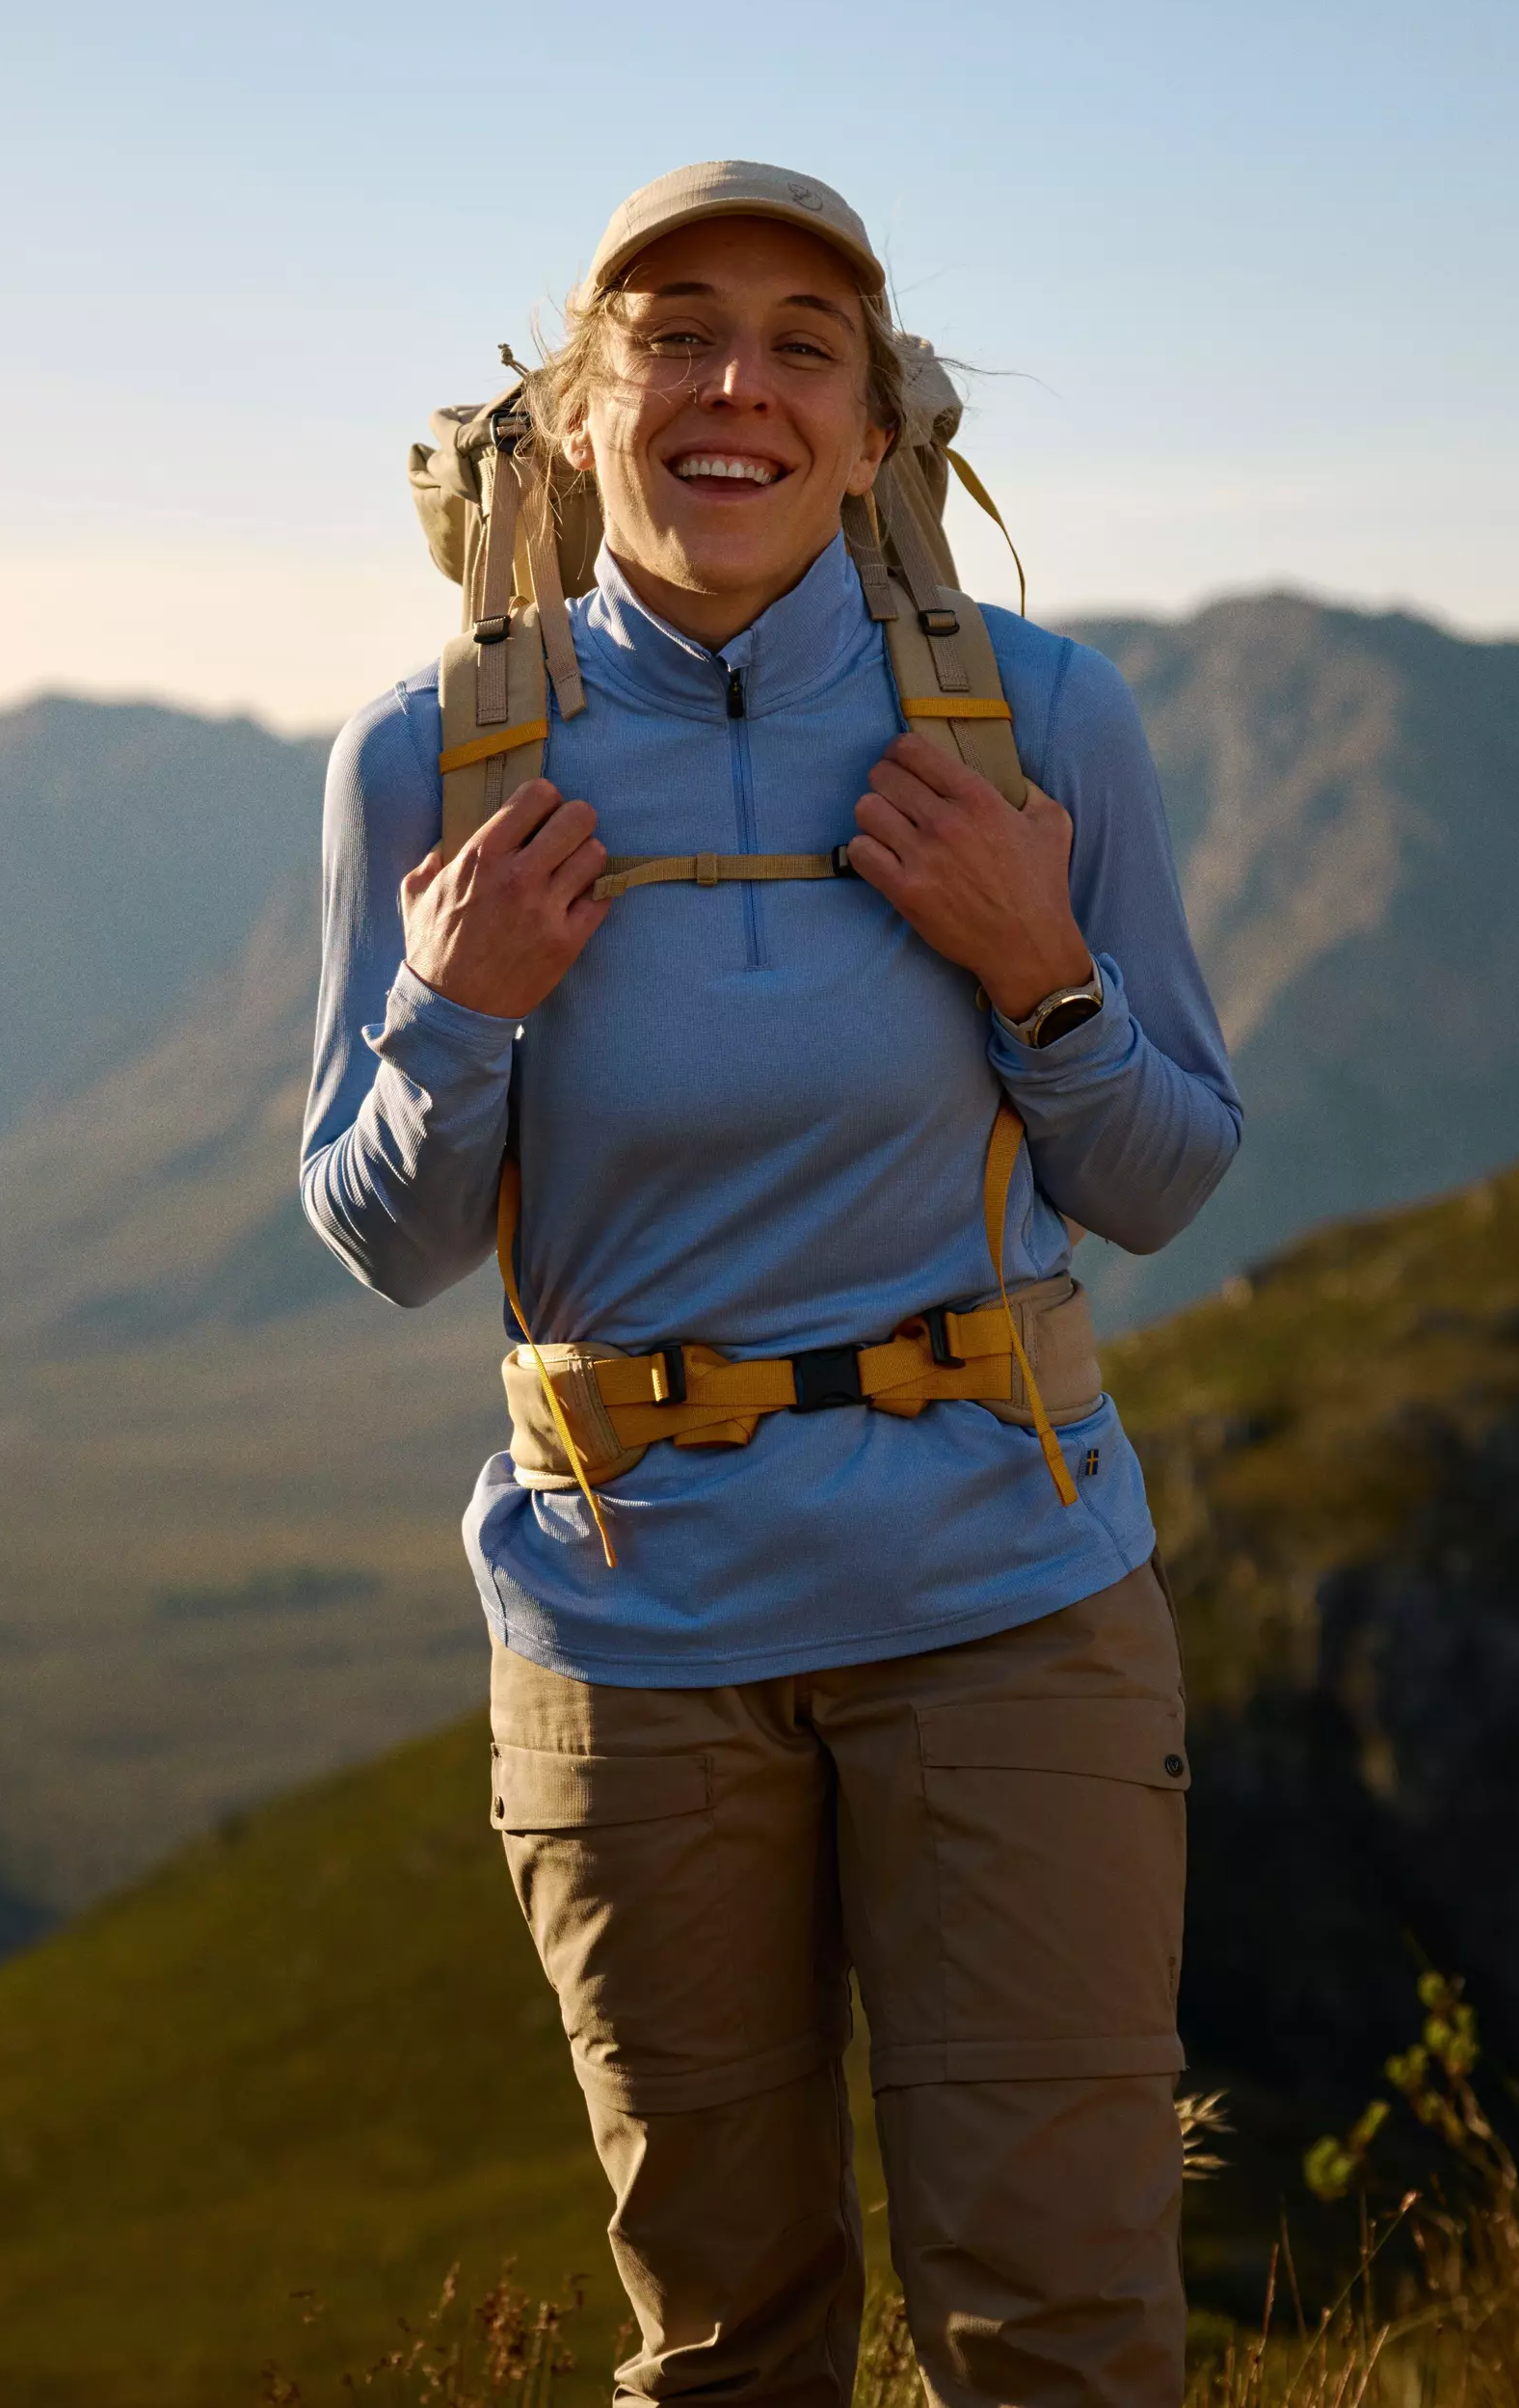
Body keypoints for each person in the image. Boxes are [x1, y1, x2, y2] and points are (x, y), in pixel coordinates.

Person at [300, 160, 1241, 2408]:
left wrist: (1045, 967)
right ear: (576, 403)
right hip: (633, 1632)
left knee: (1072, 2328)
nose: (740, 383)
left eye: (804, 341)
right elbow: (390, 1234)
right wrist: (457, 1006)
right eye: (674, 332)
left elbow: (1168, 1172)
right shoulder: (432, 755)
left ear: (874, 421)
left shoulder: (1039, 718)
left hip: (1011, 1595)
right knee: (726, 2344)